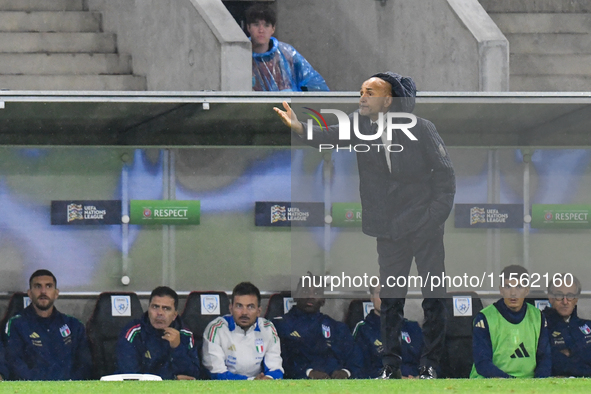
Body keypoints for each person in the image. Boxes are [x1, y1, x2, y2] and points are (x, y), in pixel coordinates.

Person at [274, 72, 455, 379]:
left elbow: (446, 180)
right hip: (389, 231)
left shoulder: (422, 129)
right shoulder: (360, 126)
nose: (361, 97)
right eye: (360, 91)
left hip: (424, 227)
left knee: (434, 296)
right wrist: (299, 127)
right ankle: (390, 367)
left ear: (389, 100)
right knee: (390, 301)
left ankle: (429, 365)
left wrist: (431, 220)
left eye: (369, 92)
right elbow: (329, 134)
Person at [5, 269, 92, 380]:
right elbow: (14, 363)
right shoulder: (17, 324)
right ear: (30, 294)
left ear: (56, 293)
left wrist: (67, 386)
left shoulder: (73, 325)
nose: (43, 291)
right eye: (37, 286)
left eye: (49, 286)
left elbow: (85, 365)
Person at [273, 275, 363, 379]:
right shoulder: (280, 326)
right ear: (296, 295)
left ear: (323, 300)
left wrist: (346, 372)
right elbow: (279, 361)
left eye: (316, 293)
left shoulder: (337, 327)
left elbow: (355, 358)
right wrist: (308, 373)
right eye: (305, 291)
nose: (310, 296)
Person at [470, 265, 551, 378]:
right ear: (501, 290)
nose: (513, 293)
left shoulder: (538, 317)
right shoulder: (485, 317)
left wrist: (536, 385)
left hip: (527, 385)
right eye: (508, 287)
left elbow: (545, 359)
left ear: (527, 290)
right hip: (491, 384)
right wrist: (512, 383)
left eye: (519, 287)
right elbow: (482, 364)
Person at [202, 282, 283, 380]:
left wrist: (269, 379)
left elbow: (275, 367)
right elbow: (216, 373)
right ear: (231, 309)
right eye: (239, 306)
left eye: (250, 307)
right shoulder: (216, 329)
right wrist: (251, 382)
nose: (244, 312)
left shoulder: (268, 328)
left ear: (258, 311)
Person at [116, 286, 200, 380]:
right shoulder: (133, 332)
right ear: (148, 310)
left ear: (174, 315)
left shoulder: (185, 334)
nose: (159, 313)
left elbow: (194, 375)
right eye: (155, 307)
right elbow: (130, 375)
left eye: (166, 308)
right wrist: (172, 378)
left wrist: (177, 348)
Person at [245, 3, 329, 91]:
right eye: (256, 25)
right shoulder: (241, 55)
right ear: (248, 27)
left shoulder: (286, 53)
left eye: (266, 25)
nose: (261, 30)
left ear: (273, 29)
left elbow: (314, 83)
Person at [353, 285, 422, 378]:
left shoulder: (413, 328)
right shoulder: (363, 330)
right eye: (379, 292)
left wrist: (421, 377)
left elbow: (432, 363)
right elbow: (359, 369)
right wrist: (394, 378)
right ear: (372, 298)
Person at [544, 273, 591, 377]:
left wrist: (570, 352)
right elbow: (549, 362)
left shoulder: (588, 325)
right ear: (550, 298)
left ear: (576, 298)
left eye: (570, 296)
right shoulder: (540, 326)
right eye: (559, 296)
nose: (565, 302)